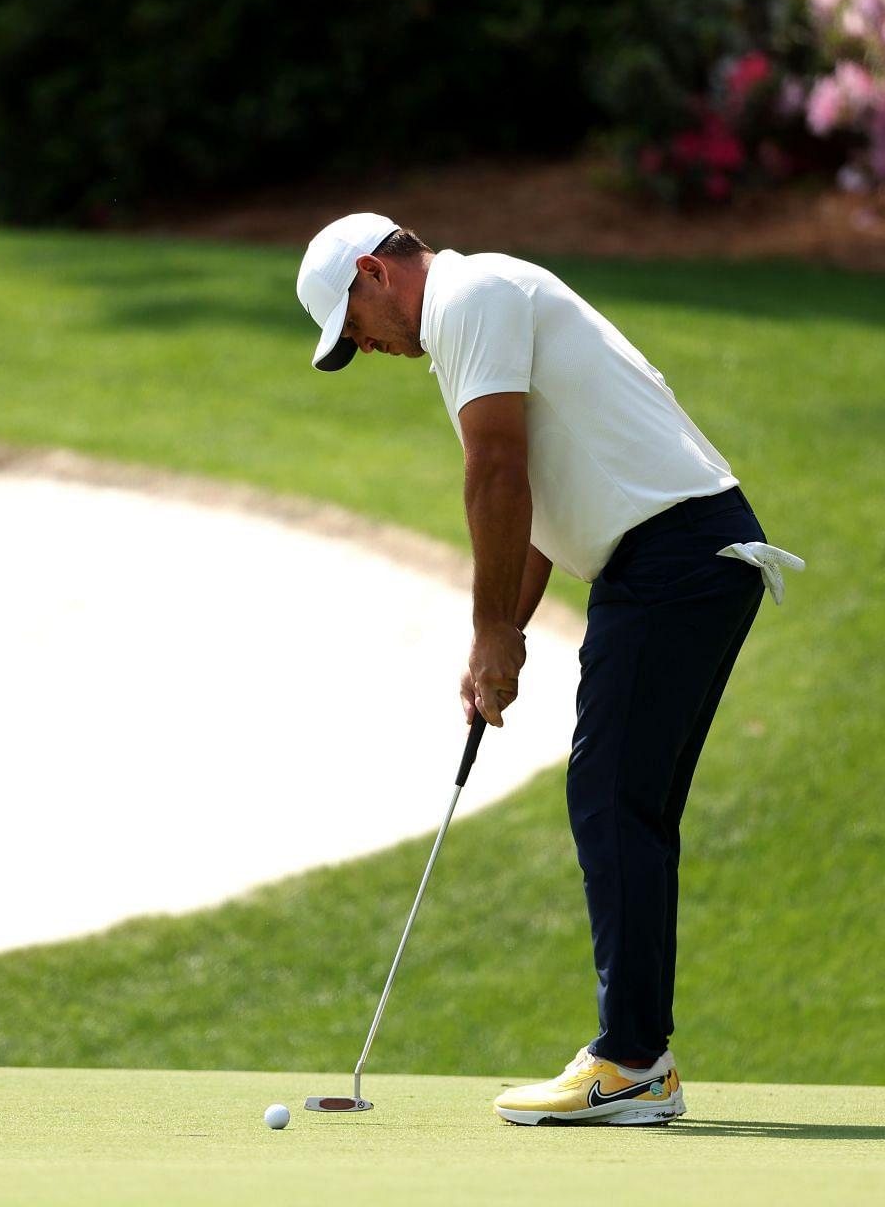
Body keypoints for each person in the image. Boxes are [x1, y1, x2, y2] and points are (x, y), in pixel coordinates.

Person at [295, 212, 802, 1127]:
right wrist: (506, 636)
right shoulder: (473, 307)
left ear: (373, 272)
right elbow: (528, 498)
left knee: (611, 798)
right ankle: (637, 1056)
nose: (366, 348)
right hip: (669, 560)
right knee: (622, 802)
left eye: (354, 329)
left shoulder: (471, 297)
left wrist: (492, 629)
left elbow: (497, 473)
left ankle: (634, 1061)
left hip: (675, 559)